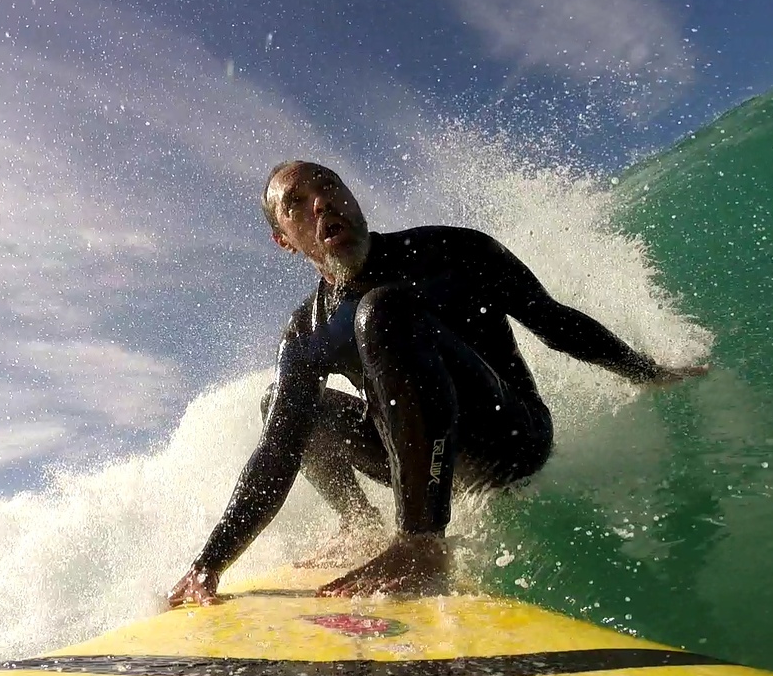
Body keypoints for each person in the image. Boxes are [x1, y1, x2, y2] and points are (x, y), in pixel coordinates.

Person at [166, 161, 708, 606]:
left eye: (329, 186)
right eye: (297, 204)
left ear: (353, 197)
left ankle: (421, 541)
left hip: (508, 438)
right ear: (285, 240)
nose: (321, 204)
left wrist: (648, 372)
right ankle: (357, 524)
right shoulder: (307, 331)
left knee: (383, 310)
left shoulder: (450, 250)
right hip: (427, 461)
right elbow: (278, 452)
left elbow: (552, 320)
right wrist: (208, 564)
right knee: (282, 409)